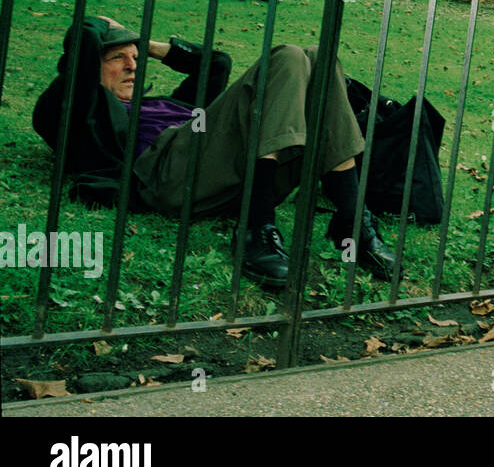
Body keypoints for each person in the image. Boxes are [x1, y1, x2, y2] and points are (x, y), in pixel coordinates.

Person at [32, 15, 398, 288]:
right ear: (89, 65)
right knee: (287, 56)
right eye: (117, 57)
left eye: (136, 57)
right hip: (169, 177)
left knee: (320, 56)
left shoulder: (169, 103)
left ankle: (353, 221)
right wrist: (99, 26)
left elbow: (216, 63)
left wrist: (142, 42)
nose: (132, 66)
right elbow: (79, 54)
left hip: (229, 177)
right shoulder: (85, 112)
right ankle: (256, 229)